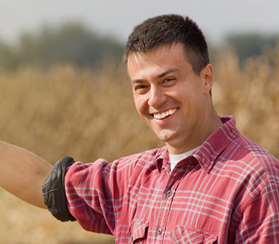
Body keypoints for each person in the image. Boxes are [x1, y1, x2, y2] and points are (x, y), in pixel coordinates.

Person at [1, 14, 279, 244]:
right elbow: (45, 184)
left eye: (168, 80)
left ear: (206, 79)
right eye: (141, 87)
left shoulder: (257, 181)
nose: (155, 99)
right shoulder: (132, 178)